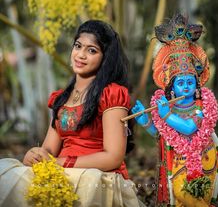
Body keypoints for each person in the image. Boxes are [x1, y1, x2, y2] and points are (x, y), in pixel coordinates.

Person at [0, 20, 145, 207]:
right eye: (78, 46)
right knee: (6, 173)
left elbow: (113, 156)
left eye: (92, 50)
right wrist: (36, 155)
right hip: (61, 172)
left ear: (105, 58)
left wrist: (60, 163)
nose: (81, 55)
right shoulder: (61, 98)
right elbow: (49, 150)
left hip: (97, 176)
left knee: (88, 183)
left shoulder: (111, 94)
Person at [132, 14, 218, 207]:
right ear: (171, 89)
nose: (186, 87)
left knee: (190, 195)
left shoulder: (202, 105)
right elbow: (162, 134)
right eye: (181, 83)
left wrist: (165, 115)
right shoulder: (170, 107)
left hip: (203, 159)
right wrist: (145, 120)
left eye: (190, 82)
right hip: (177, 160)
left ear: (197, 83)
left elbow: (190, 128)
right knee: (180, 196)